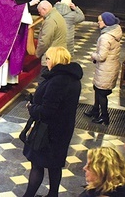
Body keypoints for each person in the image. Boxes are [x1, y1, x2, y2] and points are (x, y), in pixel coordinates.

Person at [23, 46, 83, 197]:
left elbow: (47, 111)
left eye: (48, 58)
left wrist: (32, 108)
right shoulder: (73, 78)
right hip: (63, 128)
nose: (46, 61)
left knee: (37, 164)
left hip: (49, 131)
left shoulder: (58, 81)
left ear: (55, 59)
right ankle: (53, 194)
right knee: (55, 165)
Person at [84, 12, 122, 125]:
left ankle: (105, 116)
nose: (98, 23)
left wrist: (92, 55)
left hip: (106, 69)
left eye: (100, 21)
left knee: (101, 93)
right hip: (109, 67)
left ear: (106, 23)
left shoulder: (106, 37)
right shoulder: (114, 32)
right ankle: (95, 110)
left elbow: (101, 56)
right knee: (97, 89)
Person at [35, 0, 67, 83]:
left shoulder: (50, 20)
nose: (40, 14)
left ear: (44, 9)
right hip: (59, 54)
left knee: (43, 81)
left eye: (40, 12)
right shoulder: (57, 15)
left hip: (51, 56)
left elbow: (45, 41)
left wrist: (38, 53)